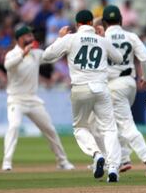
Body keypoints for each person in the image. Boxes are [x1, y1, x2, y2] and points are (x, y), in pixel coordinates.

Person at [42, 10, 123, 182]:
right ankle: (114, 167)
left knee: (80, 127)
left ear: (78, 24)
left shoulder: (70, 39)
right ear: (92, 24)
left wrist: (60, 37)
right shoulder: (101, 40)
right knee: (109, 128)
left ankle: (96, 154)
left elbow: (47, 55)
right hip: (101, 88)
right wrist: (104, 39)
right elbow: (119, 58)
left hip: (80, 88)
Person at [88, 5, 146, 177]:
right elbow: (144, 56)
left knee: (124, 124)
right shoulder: (131, 35)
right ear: (120, 20)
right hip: (130, 83)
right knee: (115, 122)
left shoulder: (102, 38)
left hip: (113, 85)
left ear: (104, 22)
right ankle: (124, 159)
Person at [2, 25, 74, 171]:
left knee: (50, 129)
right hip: (16, 99)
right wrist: (22, 54)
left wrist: (61, 39)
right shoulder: (12, 54)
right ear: (20, 39)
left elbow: (51, 54)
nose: (32, 38)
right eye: (28, 36)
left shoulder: (35, 54)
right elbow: (8, 66)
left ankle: (62, 161)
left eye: (31, 36)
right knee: (14, 126)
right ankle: (7, 162)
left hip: (33, 100)